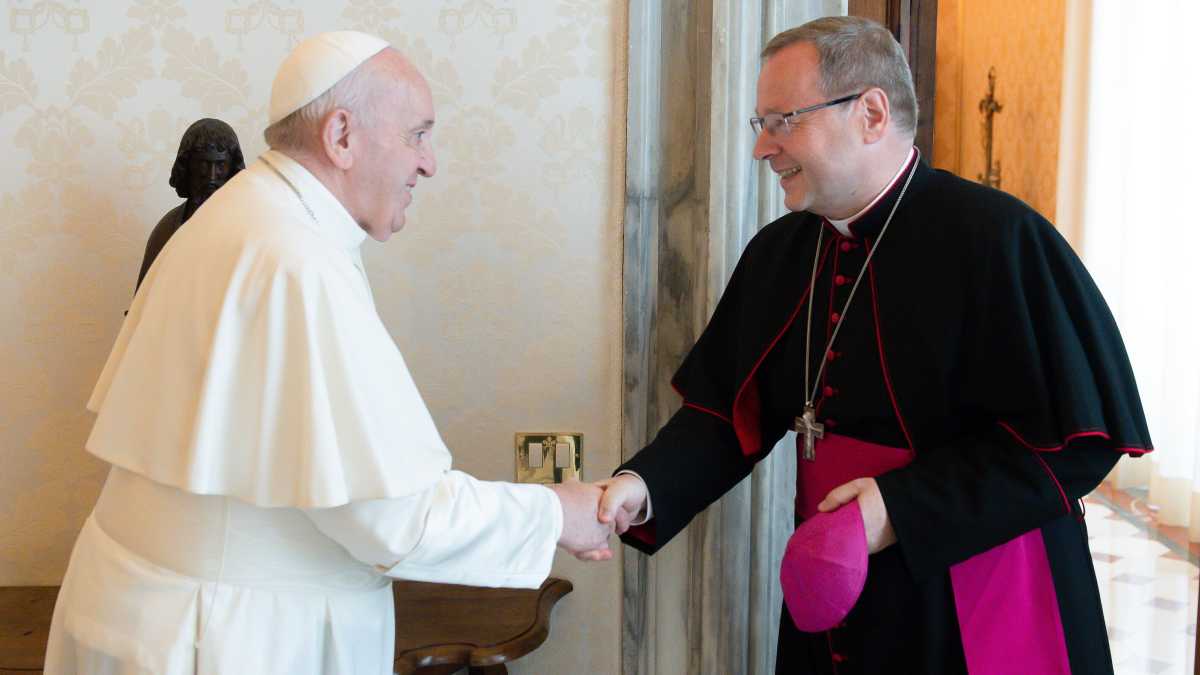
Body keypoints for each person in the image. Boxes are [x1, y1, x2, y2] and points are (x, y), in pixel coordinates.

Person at [44, 31, 612, 675]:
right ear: (341, 136)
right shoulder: (295, 260)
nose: (429, 164)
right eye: (417, 135)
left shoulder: (244, 213)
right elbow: (395, 519)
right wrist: (556, 513)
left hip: (149, 611)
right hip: (227, 638)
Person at [596, 16, 1151, 675]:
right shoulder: (781, 253)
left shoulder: (998, 239)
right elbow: (726, 414)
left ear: (871, 113)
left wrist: (896, 508)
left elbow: (1077, 443)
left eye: (783, 121)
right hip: (831, 581)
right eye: (760, 124)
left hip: (971, 586)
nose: (762, 148)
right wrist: (641, 484)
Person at [135, 118, 245, 291]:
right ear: (188, 167)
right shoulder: (167, 230)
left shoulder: (248, 230)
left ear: (232, 168)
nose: (211, 177)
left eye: (220, 165)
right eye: (203, 165)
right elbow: (144, 300)